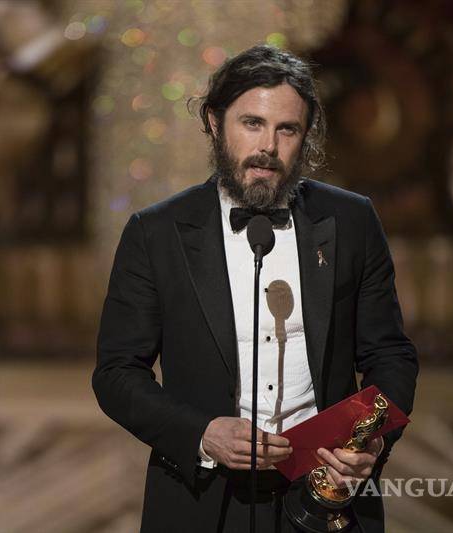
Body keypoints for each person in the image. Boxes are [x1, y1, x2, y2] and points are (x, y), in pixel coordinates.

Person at [93, 45, 418, 532]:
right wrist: (203, 434)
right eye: (252, 123)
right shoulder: (156, 233)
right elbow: (117, 373)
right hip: (202, 500)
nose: (268, 146)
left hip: (326, 496)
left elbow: (390, 354)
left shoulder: (351, 220)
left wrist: (367, 440)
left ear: (305, 135)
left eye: (287, 129)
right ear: (214, 121)